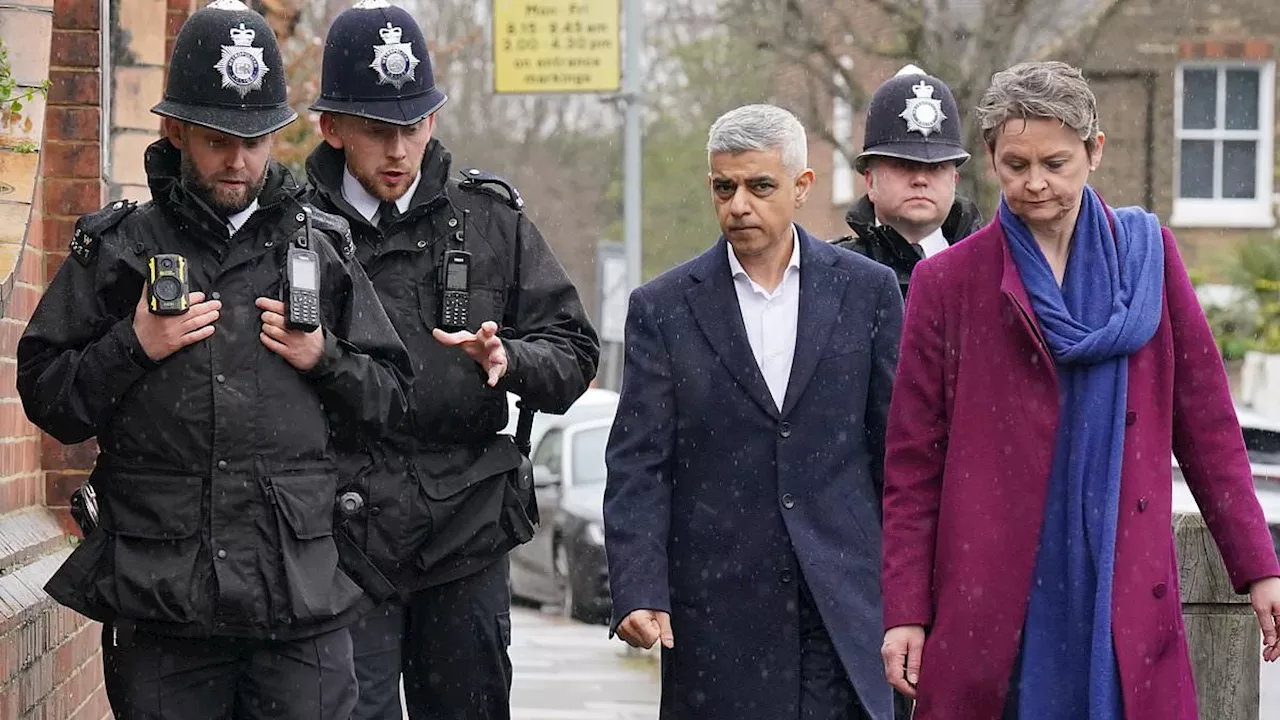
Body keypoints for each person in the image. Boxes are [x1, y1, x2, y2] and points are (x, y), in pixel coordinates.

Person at [15, 2, 413, 718]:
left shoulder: (321, 251)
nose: (238, 161)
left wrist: (324, 358)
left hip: (299, 606)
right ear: (175, 131)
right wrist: (131, 347)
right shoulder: (118, 250)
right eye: (217, 139)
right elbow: (49, 399)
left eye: (255, 140)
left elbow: (390, 401)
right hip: (165, 606)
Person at [879, 60, 1280, 720]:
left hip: (1123, 587)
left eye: (1055, 163)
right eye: (1015, 164)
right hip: (995, 603)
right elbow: (912, 468)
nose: (1034, 183)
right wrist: (905, 612)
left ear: (1095, 151)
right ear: (990, 158)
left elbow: (1207, 426)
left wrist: (1258, 565)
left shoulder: (1150, 257)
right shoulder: (947, 285)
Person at [303, 3, 600, 719]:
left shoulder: (490, 221)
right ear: (333, 128)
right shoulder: (297, 229)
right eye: (378, 131)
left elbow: (575, 355)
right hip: (341, 538)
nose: (398, 149)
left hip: (465, 532)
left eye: (414, 125)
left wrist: (513, 358)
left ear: (434, 120)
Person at [604, 103, 902, 720]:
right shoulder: (662, 309)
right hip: (717, 618)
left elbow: (895, 455)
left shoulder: (868, 292)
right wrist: (637, 587)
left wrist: (910, 600)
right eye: (724, 186)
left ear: (802, 186)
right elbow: (639, 465)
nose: (739, 203)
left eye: (760, 186)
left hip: (844, 610)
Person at [834, 65, 984, 297]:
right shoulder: (832, 273)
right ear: (870, 181)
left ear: (954, 180)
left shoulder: (991, 269)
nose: (920, 179)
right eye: (904, 165)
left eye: (936, 167)